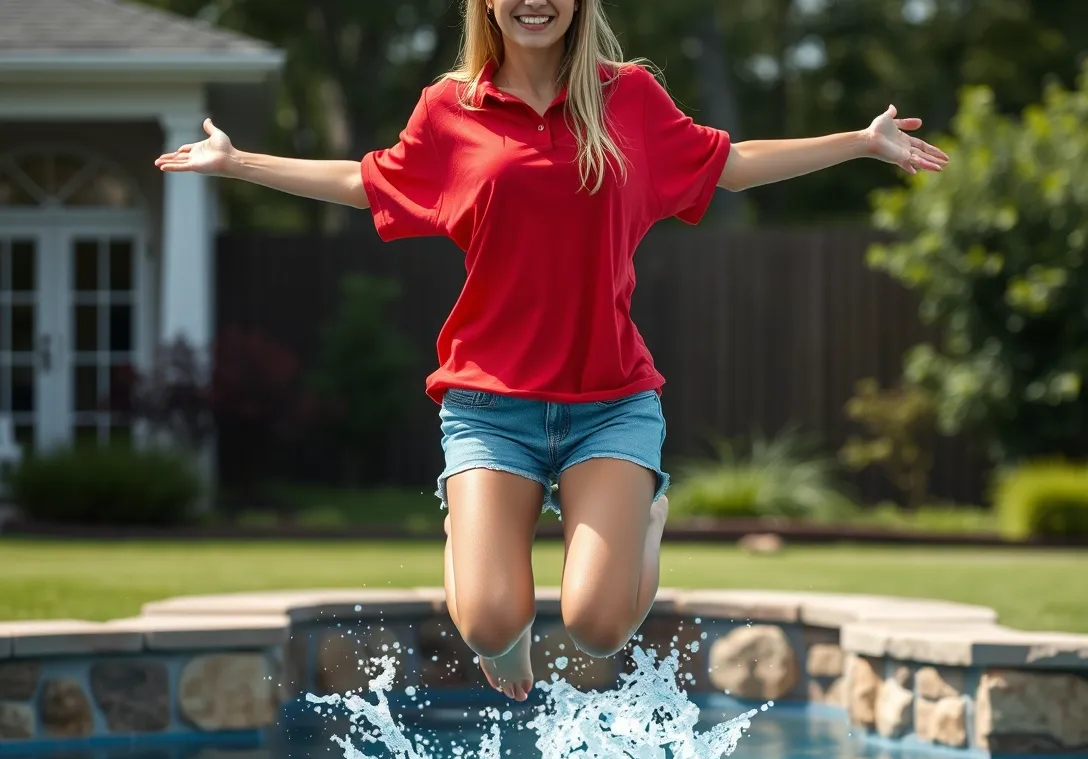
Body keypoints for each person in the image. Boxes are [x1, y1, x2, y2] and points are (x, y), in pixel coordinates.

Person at [156, 0, 948, 703]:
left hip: (609, 402)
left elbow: (730, 164)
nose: (535, 2)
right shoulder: (449, 108)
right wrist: (238, 163)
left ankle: (646, 517)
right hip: (490, 405)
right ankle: (473, 553)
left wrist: (859, 143)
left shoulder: (628, 98)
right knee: (489, 626)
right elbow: (368, 182)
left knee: (599, 627)